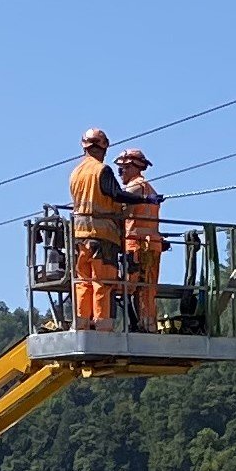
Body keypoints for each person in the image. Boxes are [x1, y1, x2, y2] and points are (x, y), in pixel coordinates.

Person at [67, 128, 157, 330]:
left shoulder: (75, 173)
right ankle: (102, 326)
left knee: (83, 281)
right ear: (102, 147)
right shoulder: (101, 170)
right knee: (103, 282)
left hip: (79, 236)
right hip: (101, 236)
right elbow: (115, 194)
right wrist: (144, 199)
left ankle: (81, 323)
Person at [113, 148, 166, 331]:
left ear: (134, 167)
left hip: (136, 245)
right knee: (148, 288)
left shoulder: (133, 188)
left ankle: (136, 325)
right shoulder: (149, 189)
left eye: (123, 169)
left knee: (130, 287)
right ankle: (148, 325)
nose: (121, 173)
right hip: (152, 245)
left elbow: (121, 214)